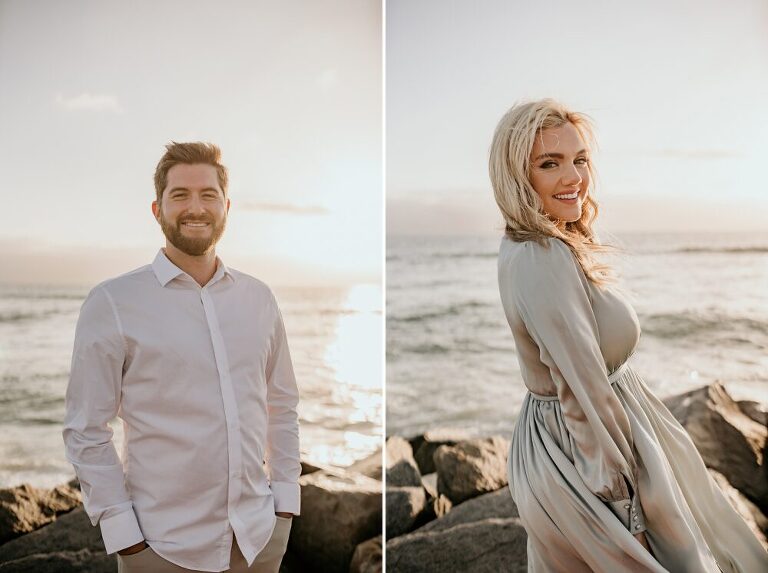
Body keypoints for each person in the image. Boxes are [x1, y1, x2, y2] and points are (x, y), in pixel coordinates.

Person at [489, 99, 767, 572]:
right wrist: (625, 508)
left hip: (580, 440)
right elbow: (583, 393)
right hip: (587, 455)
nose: (573, 177)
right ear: (517, 176)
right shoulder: (542, 257)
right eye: (549, 164)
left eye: (580, 160)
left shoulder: (526, 244)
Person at [62, 142, 301, 573]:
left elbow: (281, 407)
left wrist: (284, 507)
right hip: (162, 549)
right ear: (157, 210)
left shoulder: (260, 299)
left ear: (226, 207)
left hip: (257, 542)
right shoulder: (112, 303)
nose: (196, 207)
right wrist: (126, 539)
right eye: (180, 195)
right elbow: (86, 429)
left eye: (208, 194)